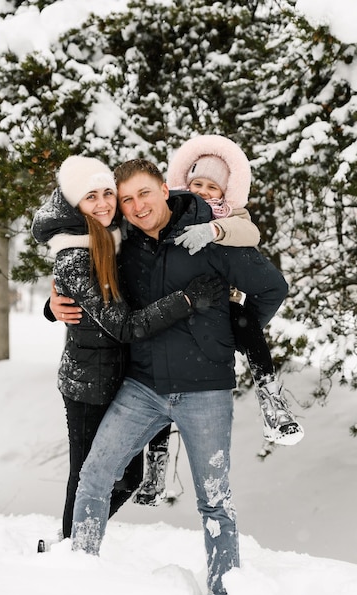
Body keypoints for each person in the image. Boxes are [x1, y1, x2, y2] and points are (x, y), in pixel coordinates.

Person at [54, 157, 288, 595]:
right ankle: (78, 569)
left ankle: (222, 592)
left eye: (144, 193)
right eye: (127, 200)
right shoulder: (126, 247)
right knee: (94, 477)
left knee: (214, 499)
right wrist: (51, 304)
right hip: (142, 387)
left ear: (164, 188)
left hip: (205, 392)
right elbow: (83, 268)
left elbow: (272, 288)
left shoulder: (210, 238)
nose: (137, 206)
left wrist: (225, 337)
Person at [31, 155, 222, 544]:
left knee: (127, 476)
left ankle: (72, 538)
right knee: (87, 474)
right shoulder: (74, 256)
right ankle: (71, 547)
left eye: (107, 194)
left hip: (120, 376)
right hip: (87, 384)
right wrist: (185, 300)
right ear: (74, 204)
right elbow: (124, 324)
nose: (103, 203)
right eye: (91, 197)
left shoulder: (112, 233)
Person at [132, 135, 303, 508]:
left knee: (245, 322)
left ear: (225, 192)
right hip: (172, 304)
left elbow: (251, 234)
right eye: (198, 185)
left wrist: (213, 230)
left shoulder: (230, 216)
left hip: (221, 306)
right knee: (158, 377)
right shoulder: (172, 210)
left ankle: (270, 395)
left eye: (213, 187)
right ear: (184, 184)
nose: (205, 193)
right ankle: (156, 465)